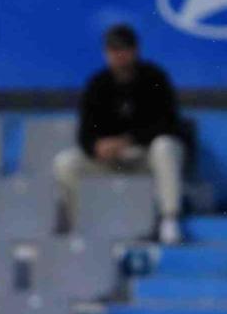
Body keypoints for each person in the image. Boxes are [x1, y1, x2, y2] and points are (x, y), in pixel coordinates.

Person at [54, 24, 185, 244]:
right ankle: (79, 225)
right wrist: (97, 146)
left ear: (135, 51)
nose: (119, 55)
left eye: (124, 49)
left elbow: (169, 124)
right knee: (65, 163)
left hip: (145, 156)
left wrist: (128, 140)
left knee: (165, 146)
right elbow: (85, 133)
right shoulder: (97, 84)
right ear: (106, 53)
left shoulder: (155, 77)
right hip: (110, 160)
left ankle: (169, 219)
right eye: (113, 50)